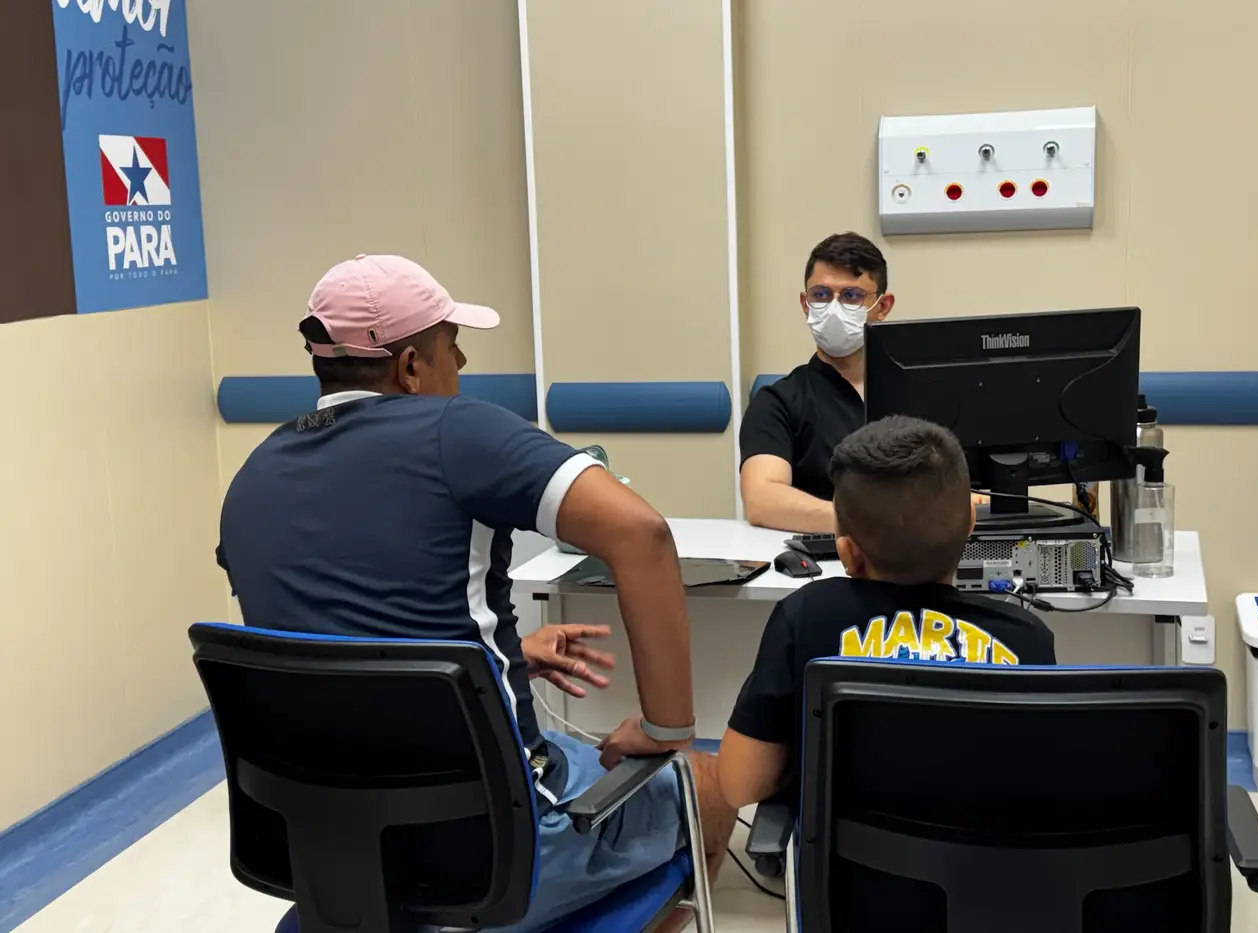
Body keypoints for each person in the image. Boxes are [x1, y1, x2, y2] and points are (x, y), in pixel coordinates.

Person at [216, 254, 735, 933]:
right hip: (494, 859)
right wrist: (664, 728)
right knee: (709, 783)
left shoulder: (252, 476)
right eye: (451, 345)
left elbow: (332, 643)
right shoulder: (457, 431)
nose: (460, 361)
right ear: (410, 366)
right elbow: (642, 534)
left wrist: (493, 661)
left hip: (330, 857)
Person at [717, 415, 1057, 808]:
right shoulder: (1028, 638)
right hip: (982, 850)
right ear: (970, 523)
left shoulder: (805, 616)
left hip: (847, 850)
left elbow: (739, 786)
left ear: (848, 553)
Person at [739, 232, 894, 533]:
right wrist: (874, 526)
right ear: (805, 303)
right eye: (821, 295)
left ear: (883, 307)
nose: (834, 308)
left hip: (918, 556)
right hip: (821, 555)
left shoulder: (919, 391)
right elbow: (762, 499)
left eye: (851, 296)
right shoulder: (778, 402)